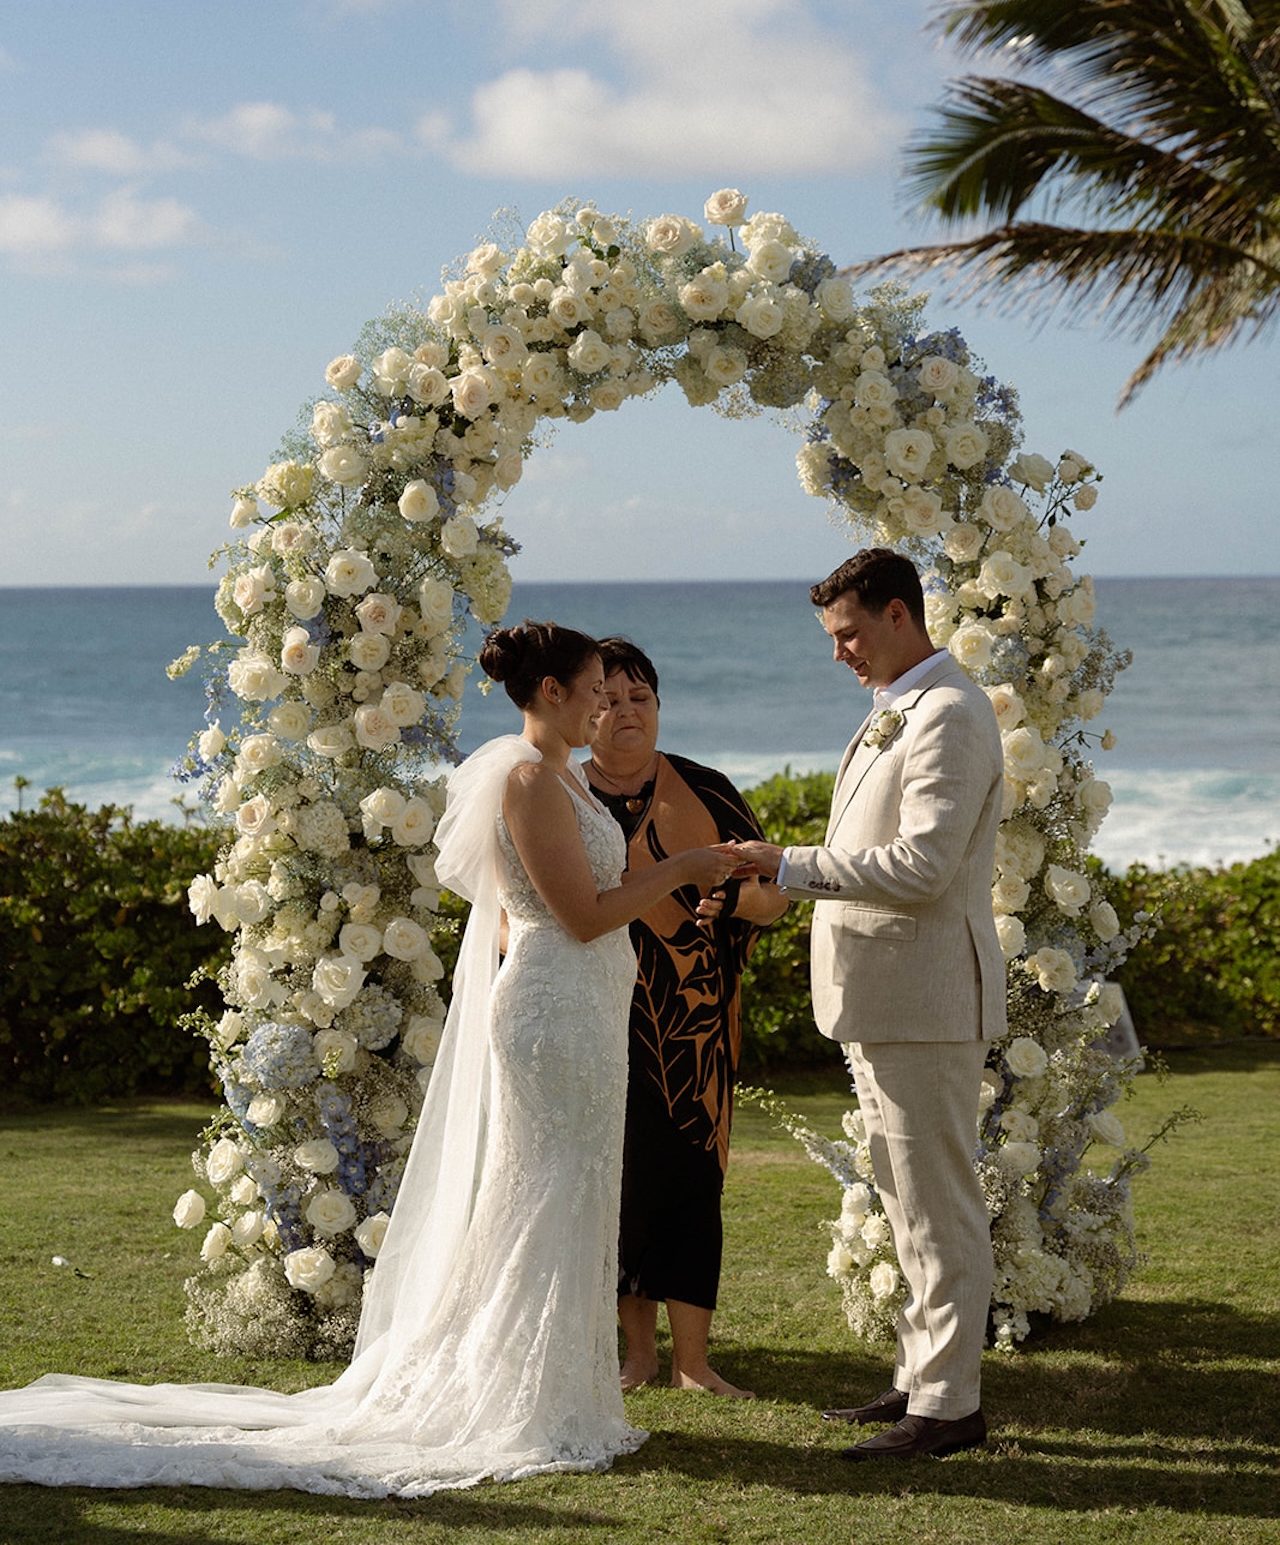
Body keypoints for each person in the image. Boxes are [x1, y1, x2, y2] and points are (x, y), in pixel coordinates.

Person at [0, 621, 743, 1498]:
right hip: (553, 1010)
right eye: (592, 691)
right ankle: (518, 1397)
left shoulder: (565, 783)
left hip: (585, 1011)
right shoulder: (526, 782)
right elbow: (581, 915)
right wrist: (690, 863)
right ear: (551, 692)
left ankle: (560, 1390)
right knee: (543, 1192)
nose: (603, 705)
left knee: (573, 1193)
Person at [729, 551, 1005, 1462]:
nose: (839, 652)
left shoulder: (951, 713)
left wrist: (789, 863)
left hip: (924, 999)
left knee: (938, 1205)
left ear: (898, 614)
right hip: (884, 999)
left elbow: (924, 869)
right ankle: (922, 1383)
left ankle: (952, 1405)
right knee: (905, 1202)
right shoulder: (896, 708)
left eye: (848, 633)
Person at [583, 638, 789, 1399]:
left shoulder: (707, 790)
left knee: (693, 1183)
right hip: (599, 1022)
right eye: (606, 700)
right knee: (620, 1186)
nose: (624, 712)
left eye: (640, 697)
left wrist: (737, 898)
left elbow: (774, 897)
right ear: (584, 712)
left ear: (659, 707)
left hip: (698, 1031)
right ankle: (637, 1356)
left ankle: (693, 1362)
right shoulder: (566, 800)